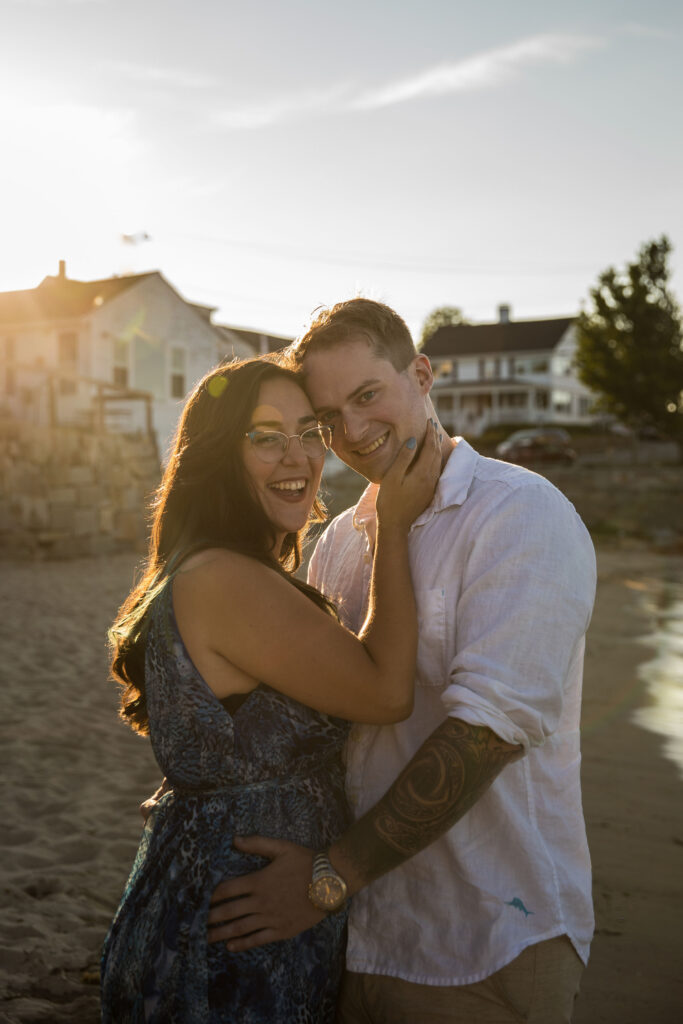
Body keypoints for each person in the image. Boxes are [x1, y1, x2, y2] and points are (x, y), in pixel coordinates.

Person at [207, 300, 598, 1024]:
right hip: (353, 942)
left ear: (420, 375)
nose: (352, 433)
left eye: (366, 396)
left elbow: (484, 735)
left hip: (483, 938)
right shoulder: (343, 543)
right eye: (329, 418)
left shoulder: (519, 514)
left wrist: (325, 878)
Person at [100, 356, 440, 1023]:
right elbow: (384, 693)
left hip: (225, 903)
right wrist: (393, 526)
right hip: (236, 936)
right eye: (264, 435)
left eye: (309, 431)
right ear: (219, 455)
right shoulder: (225, 577)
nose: (298, 455)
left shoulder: (210, 567)